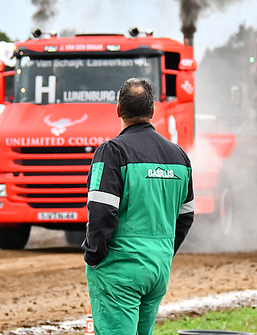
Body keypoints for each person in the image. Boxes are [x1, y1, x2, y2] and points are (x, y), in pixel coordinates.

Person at [82, 77, 194, 335]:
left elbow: (101, 211)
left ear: (118, 110)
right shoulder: (179, 156)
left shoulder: (112, 151)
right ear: (152, 111)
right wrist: (162, 251)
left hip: (120, 269)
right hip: (158, 269)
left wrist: (94, 256)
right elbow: (186, 216)